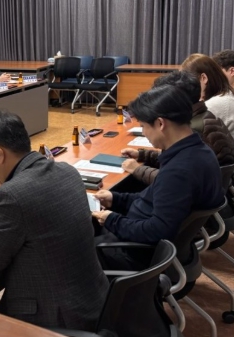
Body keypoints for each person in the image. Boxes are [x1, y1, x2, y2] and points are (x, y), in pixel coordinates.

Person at [0, 110, 107, 330]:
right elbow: (36, 222)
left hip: (53, 319)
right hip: (94, 300)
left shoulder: (10, 195)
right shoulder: (67, 171)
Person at [92, 85, 224, 270]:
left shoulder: (179, 171)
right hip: (148, 245)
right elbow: (153, 198)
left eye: (143, 126)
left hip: (135, 255)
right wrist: (116, 199)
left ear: (160, 124)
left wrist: (112, 220)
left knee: (70, 246)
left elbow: (157, 230)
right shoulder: (198, 152)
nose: (143, 133)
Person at [121, 71, 234, 184]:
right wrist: (143, 155)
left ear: (174, 100)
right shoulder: (204, 116)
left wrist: (138, 169)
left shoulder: (191, 131)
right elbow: (177, 159)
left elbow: (177, 179)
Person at [181, 54, 234, 140]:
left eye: (188, 82)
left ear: (204, 78)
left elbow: (187, 133)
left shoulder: (216, 104)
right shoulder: (228, 94)